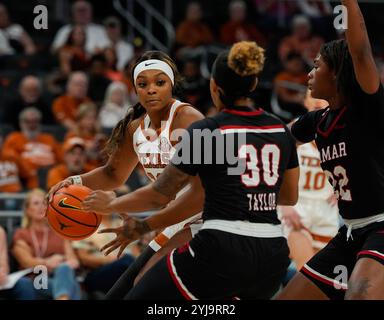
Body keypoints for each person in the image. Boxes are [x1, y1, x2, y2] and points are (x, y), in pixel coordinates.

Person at [84, 41, 299, 299]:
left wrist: (116, 207)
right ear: (253, 84)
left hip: (221, 239)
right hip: (272, 249)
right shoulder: (278, 129)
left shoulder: (207, 129)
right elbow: (288, 196)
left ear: (213, 87)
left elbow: (160, 195)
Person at [47, 50, 205, 299]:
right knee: (124, 291)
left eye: (159, 82)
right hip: (178, 217)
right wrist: (75, 181)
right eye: (143, 84)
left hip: (211, 216)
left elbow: (201, 190)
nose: (151, 90)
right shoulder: (135, 128)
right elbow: (112, 175)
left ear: (171, 85)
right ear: (134, 89)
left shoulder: (188, 118)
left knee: (147, 288)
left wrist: (124, 212)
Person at [277, 0, 384, 300]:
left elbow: (360, 51)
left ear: (336, 73)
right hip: (350, 231)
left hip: (381, 224)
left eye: (316, 66)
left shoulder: (364, 108)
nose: (310, 74)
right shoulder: (316, 120)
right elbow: (273, 143)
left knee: (360, 295)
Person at [279, 90, 339, 271]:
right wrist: (284, 205)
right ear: (305, 101)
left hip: (326, 207)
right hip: (298, 204)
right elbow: (273, 164)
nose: (318, 100)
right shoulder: (295, 128)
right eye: (313, 96)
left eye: (322, 96)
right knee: (304, 268)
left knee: (322, 273)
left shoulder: (339, 129)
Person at [12, 189, 81, 300]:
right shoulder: (22, 234)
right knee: (72, 286)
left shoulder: (60, 232)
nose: (40, 207)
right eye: (36, 203)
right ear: (27, 210)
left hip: (60, 276)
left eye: (44, 203)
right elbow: (26, 261)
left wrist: (63, 261)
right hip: (36, 279)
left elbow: (74, 261)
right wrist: (48, 262)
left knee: (64, 269)